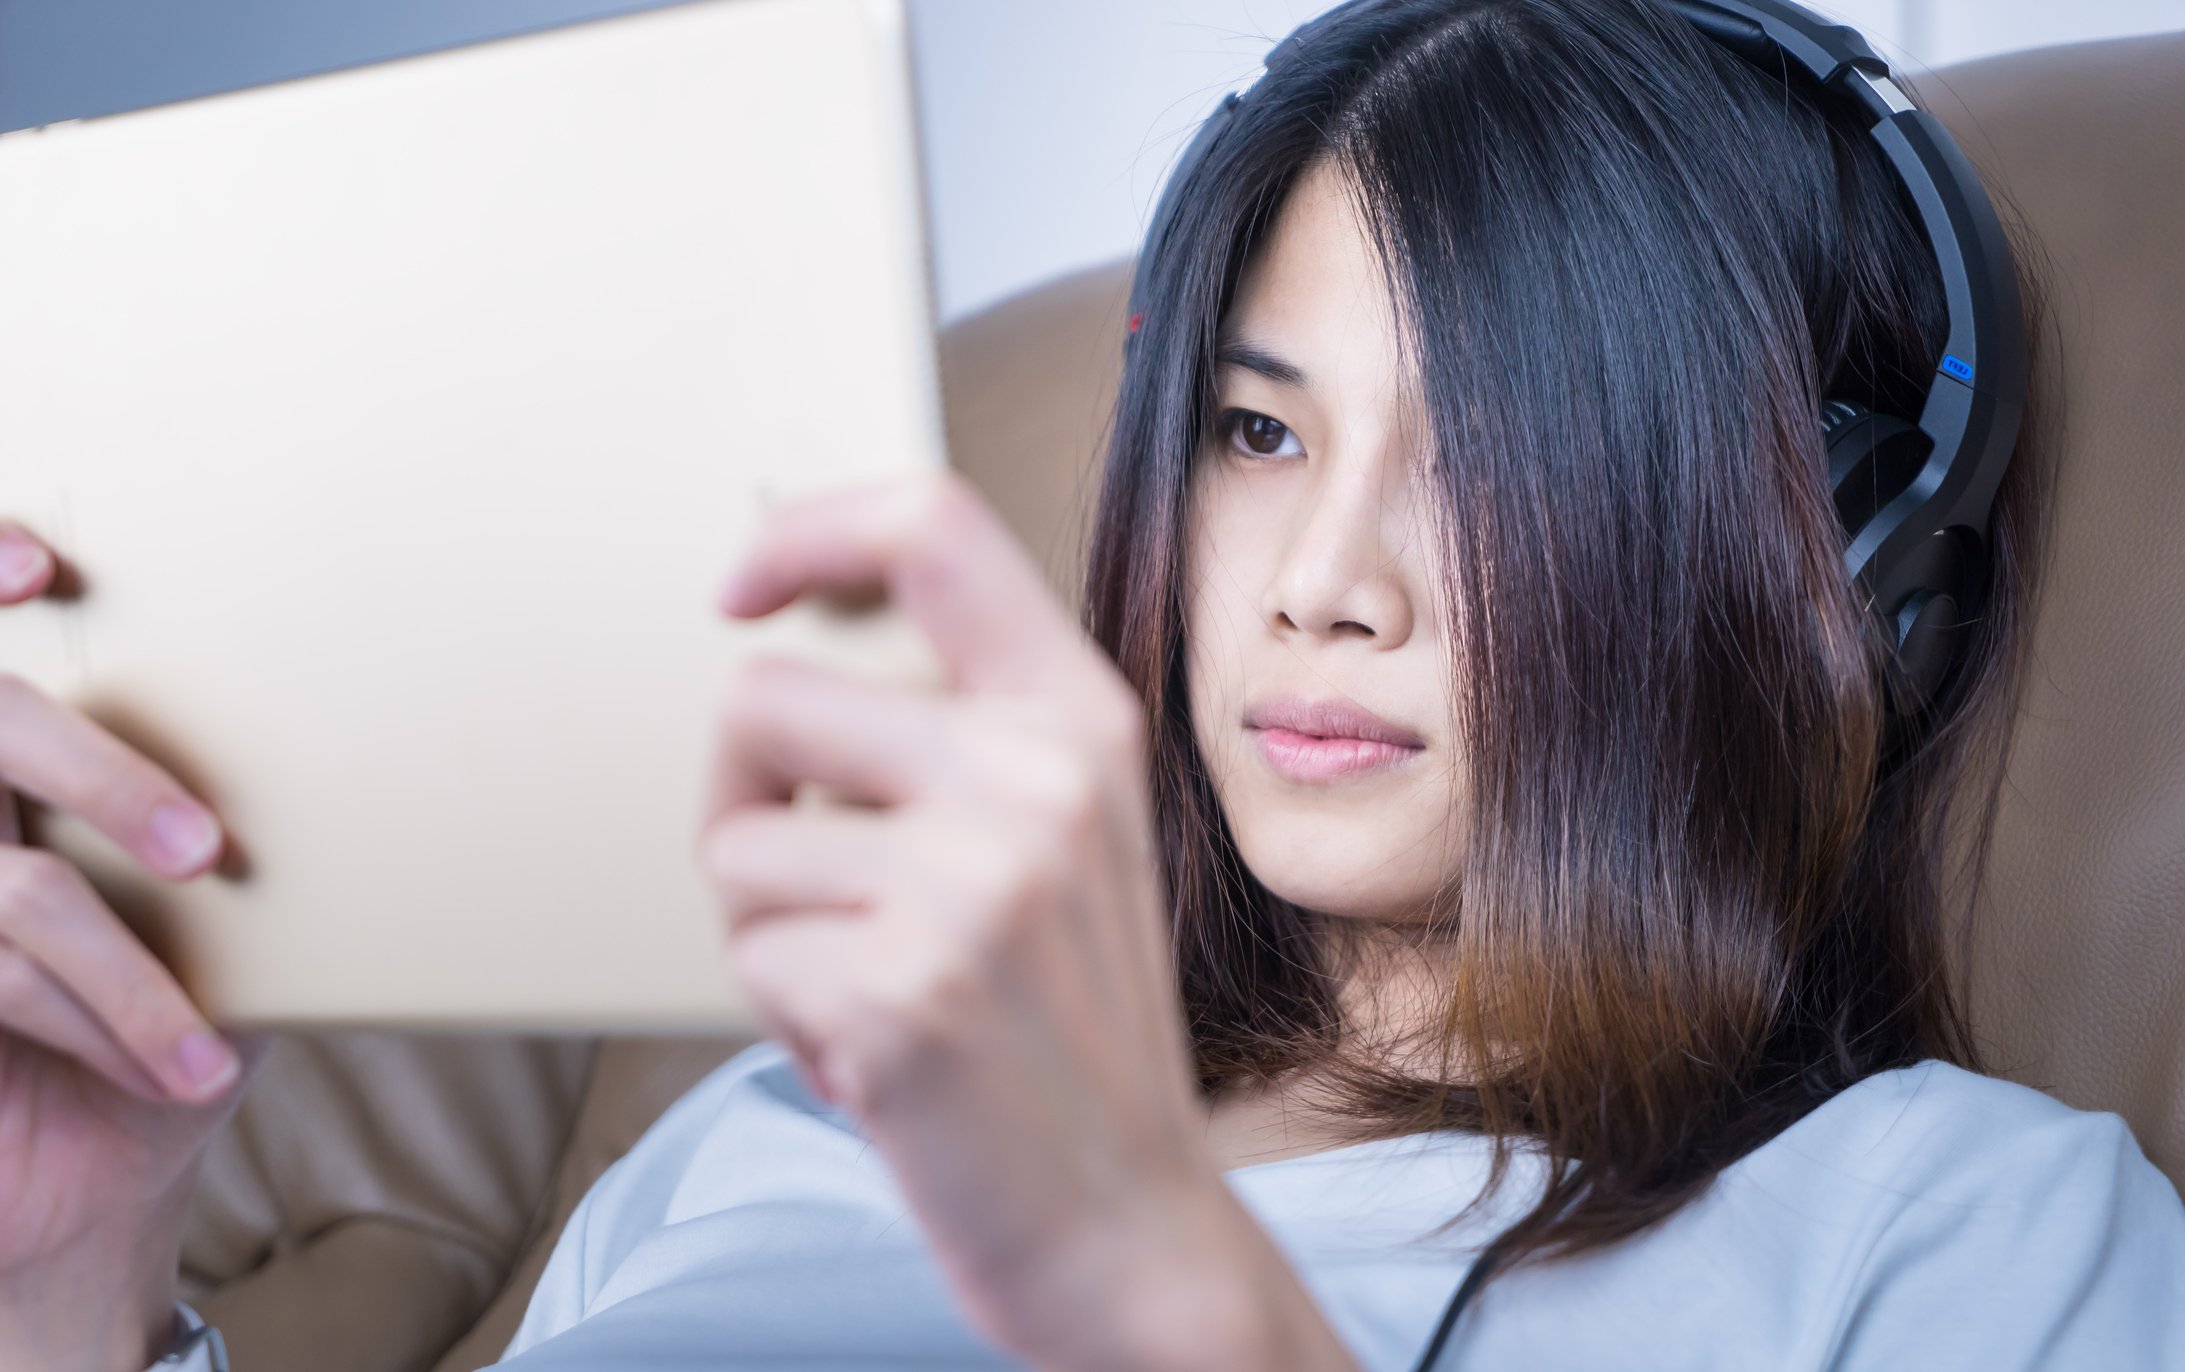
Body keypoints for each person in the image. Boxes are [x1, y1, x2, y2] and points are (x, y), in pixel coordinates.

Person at [3, 0, 2182, 1368]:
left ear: (1849, 563)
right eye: (1257, 433)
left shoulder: (1953, 1225)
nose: (1319, 586)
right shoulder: (760, 1130)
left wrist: (1140, 1260)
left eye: (1493, 463)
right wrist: (76, 1281)